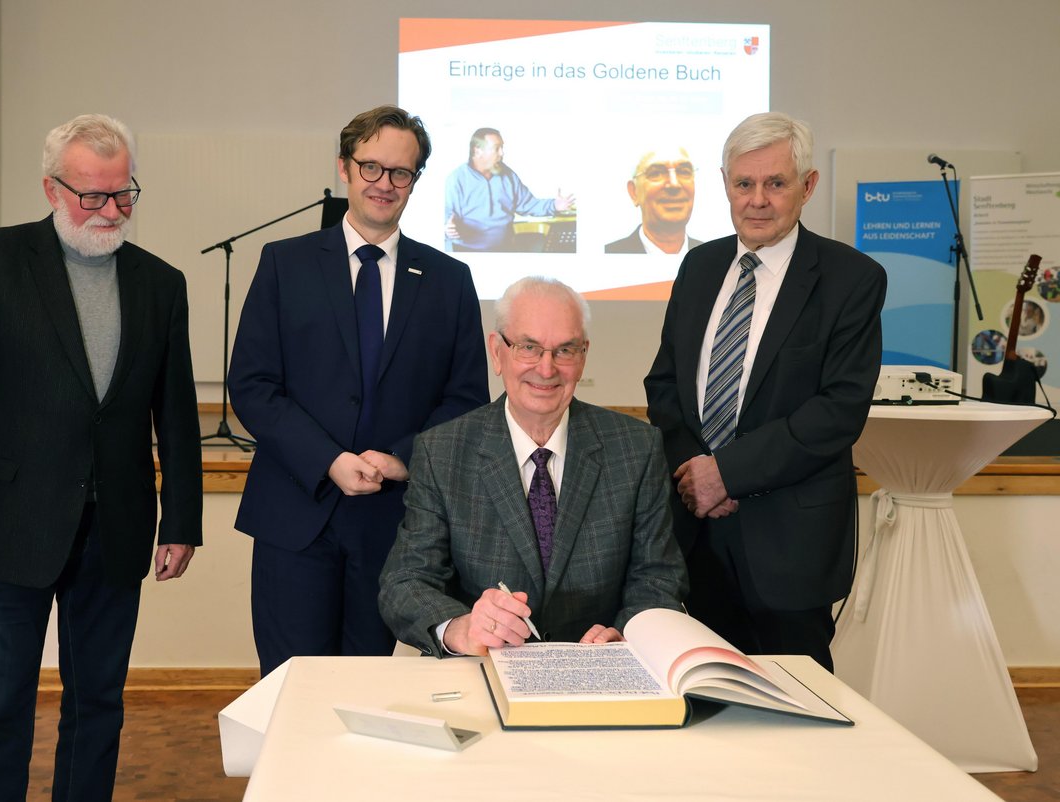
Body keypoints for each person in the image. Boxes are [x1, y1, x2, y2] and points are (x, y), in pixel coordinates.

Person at [0, 113, 202, 801]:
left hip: (118, 530)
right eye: (92, 196)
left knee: (98, 706)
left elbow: (178, 412)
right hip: (8, 527)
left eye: (123, 194)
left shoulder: (160, 284)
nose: (110, 211)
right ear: (51, 189)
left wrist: (183, 520)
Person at [228, 105, 489, 675]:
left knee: (368, 692)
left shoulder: (449, 281)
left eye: (401, 172)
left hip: (397, 526)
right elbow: (251, 385)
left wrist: (400, 459)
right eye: (371, 167)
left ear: (416, 181)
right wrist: (328, 460)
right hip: (296, 513)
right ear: (343, 168)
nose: (385, 184)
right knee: (291, 689)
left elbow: (465, 400)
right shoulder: (284, 264)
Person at [643, 112, 886, 672]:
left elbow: (838, 411)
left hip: (790, 545)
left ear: (807, 186)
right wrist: (693, 470)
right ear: (725, 183)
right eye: (742, 184)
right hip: (696, 534)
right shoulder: (700, 266)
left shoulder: (851, 279)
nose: (757, 200)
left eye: (775, 183)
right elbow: (664, 383)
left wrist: (727, 472)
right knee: (704, 702)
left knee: (801, 714)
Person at [380, 277, 687, 656]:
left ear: (584, 355)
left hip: (599, 673)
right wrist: (461, 629)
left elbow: (658, 577)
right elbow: (405, 581)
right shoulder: (442, 451)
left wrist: (626, 634)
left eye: (565, 350)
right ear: (497, 352)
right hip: (485, 669)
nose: (546, 369)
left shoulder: (636, 448)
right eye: (529, 347)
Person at [444, 127, 575, 252]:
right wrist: (448, 228)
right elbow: (445, 217)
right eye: (497, 148)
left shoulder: (508, 176)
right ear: (477, 150)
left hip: (505, 250)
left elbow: (528, 204)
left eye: (502, 147)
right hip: (466, 252)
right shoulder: (456, 179)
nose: (502, 153)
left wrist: (554, 205)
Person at [605, 145, 703, 255]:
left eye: (684, 171)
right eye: (656, 173)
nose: (674, 184)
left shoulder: (712, 257)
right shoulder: (610, 253)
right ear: (634, 192)